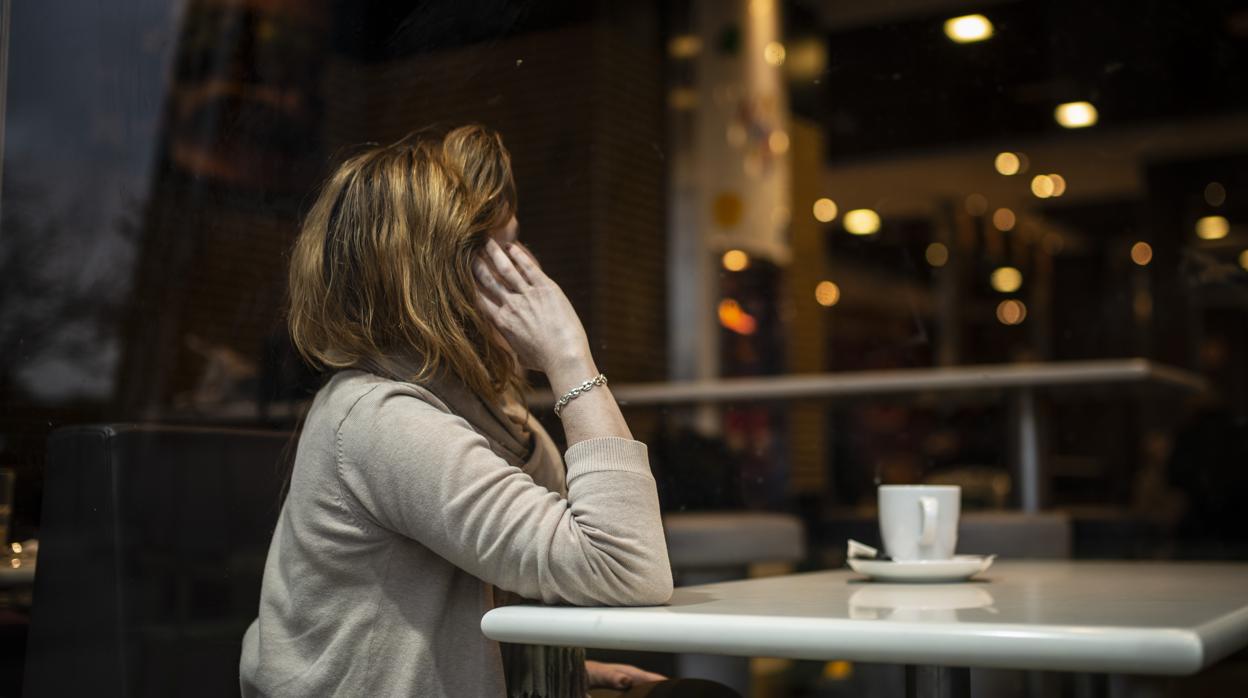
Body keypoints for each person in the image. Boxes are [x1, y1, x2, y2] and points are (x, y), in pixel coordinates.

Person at [239, 125, 675, 697]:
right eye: (504, 250)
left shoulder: (466, 407)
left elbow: (585, 534)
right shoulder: (380, 419)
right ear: (441, 278)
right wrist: (569, 355)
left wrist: (540, 670)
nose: (529, 270)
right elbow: (625, 564)